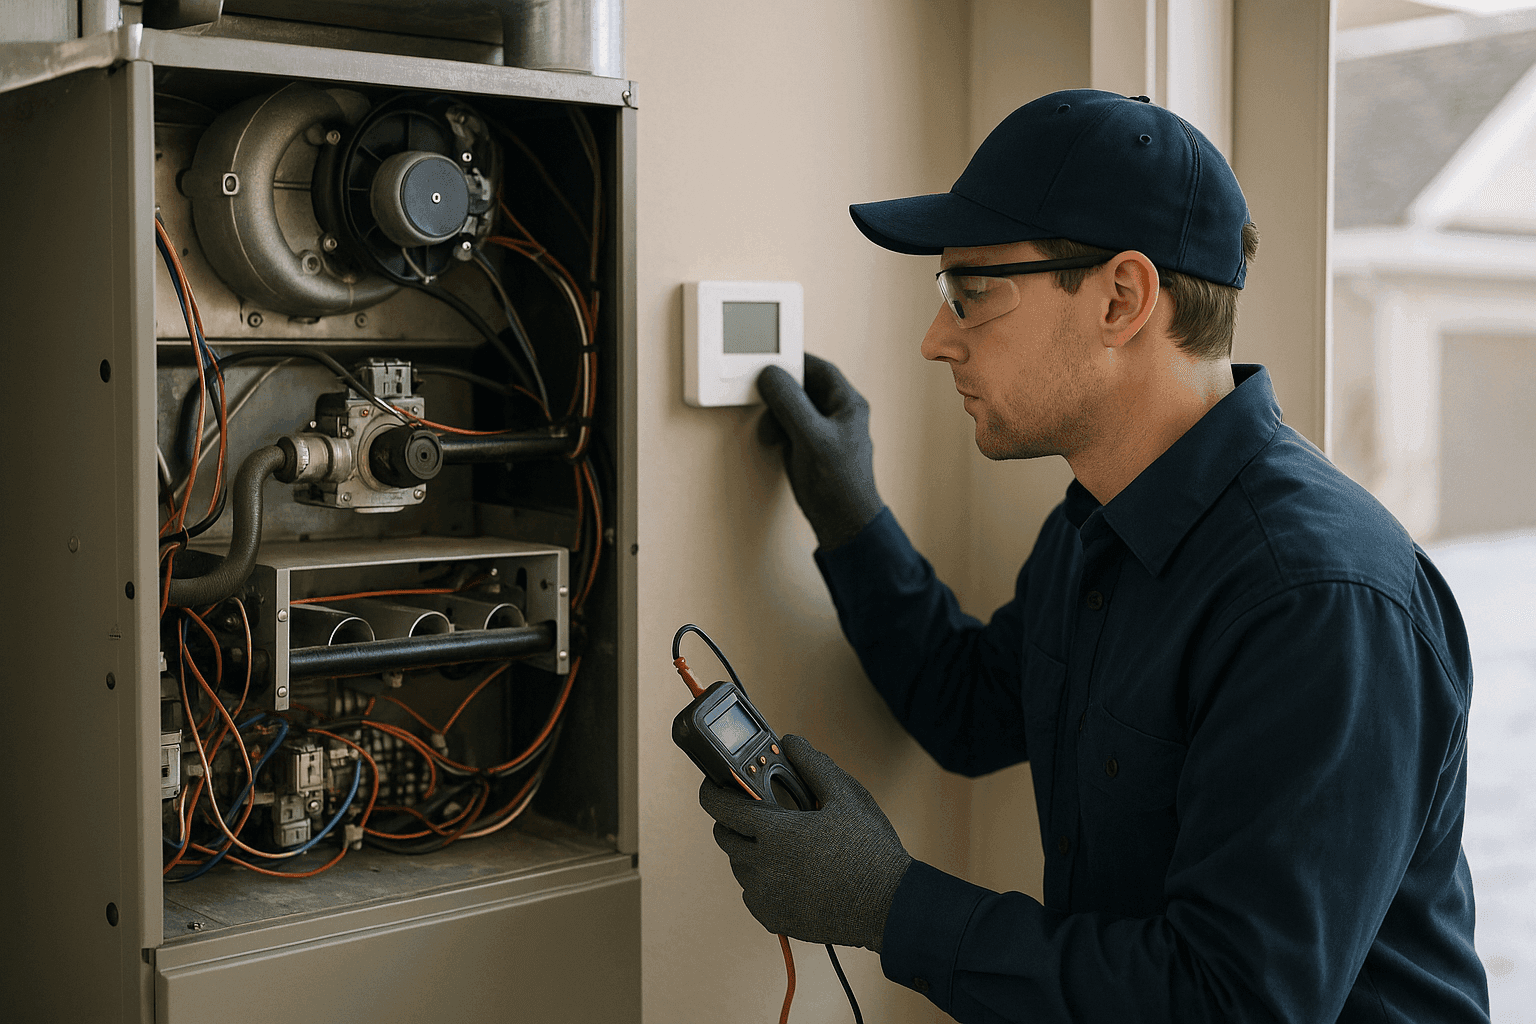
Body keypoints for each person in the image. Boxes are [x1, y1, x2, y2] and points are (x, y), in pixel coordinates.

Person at [697, 89, 1490, 1023]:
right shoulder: (1100, 525)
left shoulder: (1316, 601)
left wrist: (893, 906)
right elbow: (971, 706)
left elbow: (1232, 1003)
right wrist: (848, 511)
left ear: (1122, 298)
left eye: (972, 293)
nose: (935, 339)